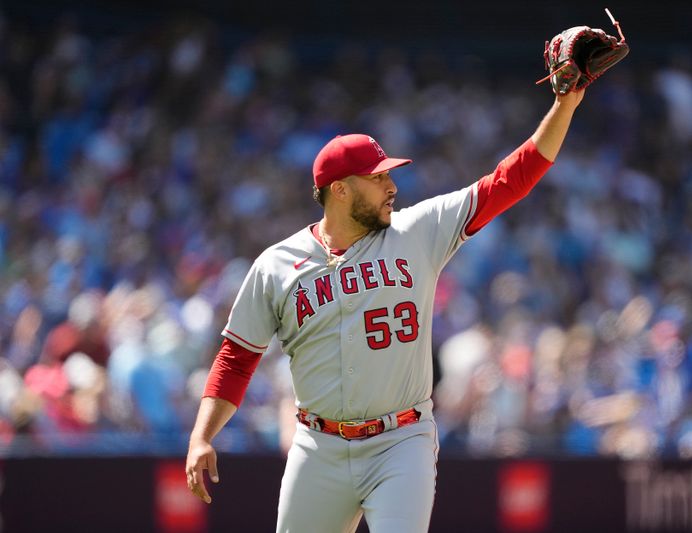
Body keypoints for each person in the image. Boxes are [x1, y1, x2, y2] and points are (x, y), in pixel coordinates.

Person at [185, 86, 585, 532]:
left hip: (401, 440)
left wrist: (564, 103)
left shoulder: (418, 232)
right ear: (339, 189)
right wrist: (203, 435)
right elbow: (237, 359)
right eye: (376, 178)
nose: (391, 186)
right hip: (318, 445)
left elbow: (511, 178)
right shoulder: (276, 265)